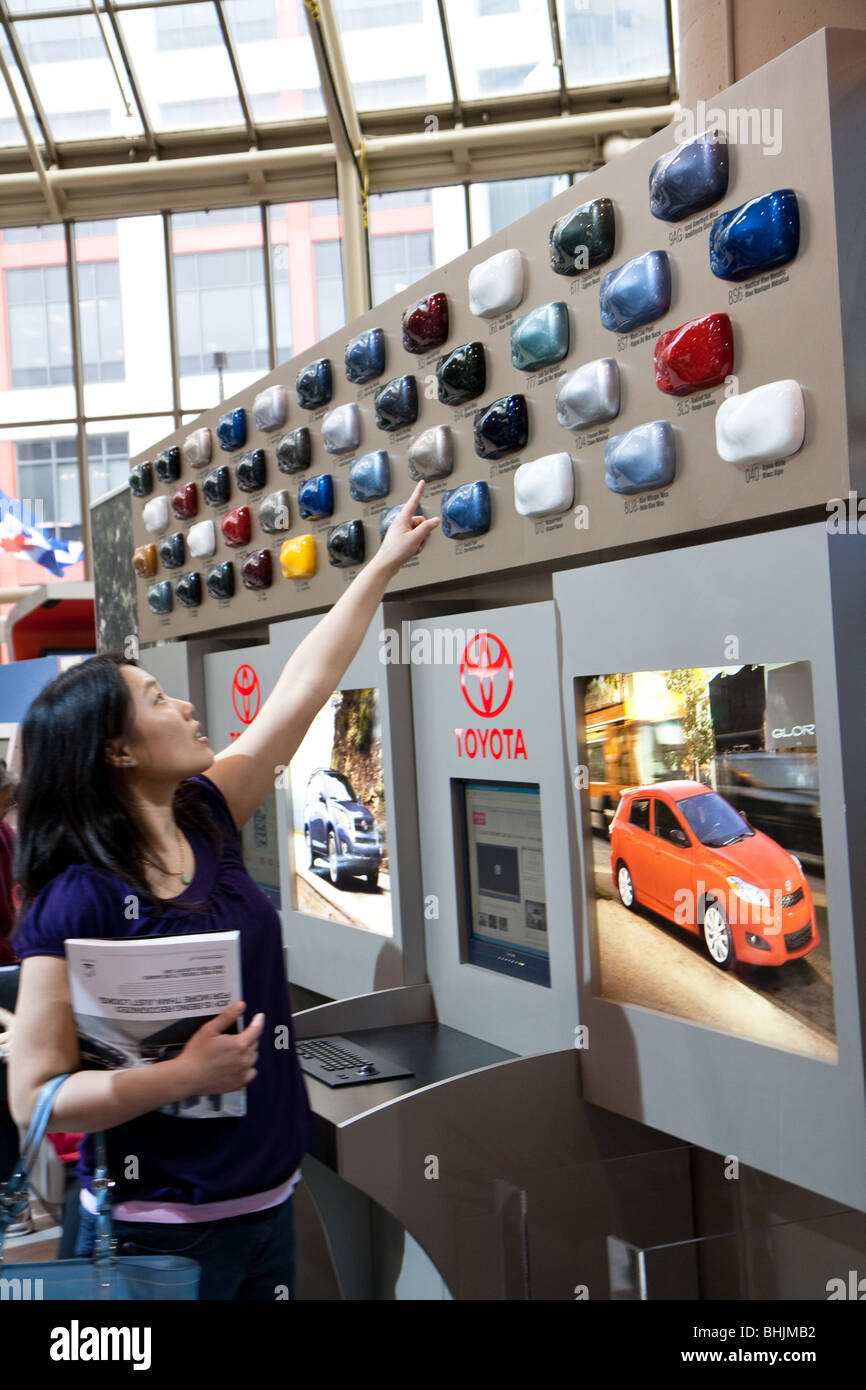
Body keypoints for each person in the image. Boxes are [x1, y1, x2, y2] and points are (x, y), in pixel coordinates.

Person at [8, 482, 438, 1299]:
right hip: (156, 1235)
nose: (186, 705)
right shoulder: (76, 902)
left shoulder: (207, 816)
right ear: (118, 754)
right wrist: (180, 1075)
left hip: (269, 1207)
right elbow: (34, 1095)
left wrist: (379, 568)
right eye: (157, 700)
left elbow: (302, 689)